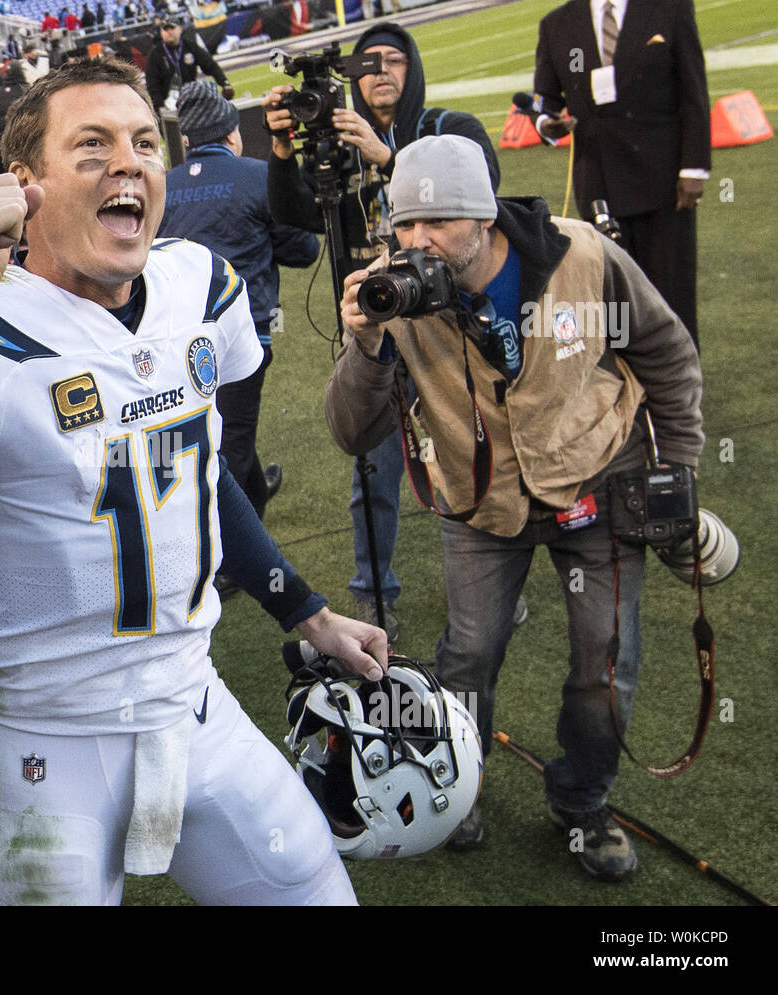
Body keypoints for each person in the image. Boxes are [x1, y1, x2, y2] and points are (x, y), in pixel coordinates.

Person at [0, 57, 388, 906]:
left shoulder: (195, 284)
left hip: (193, 703)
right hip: (43, 745)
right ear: (22, 186)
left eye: (144, 142)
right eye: (91, 146)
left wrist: (305, 610)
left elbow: (197, 472)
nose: (127, 162)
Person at [325, 133, 703, 880]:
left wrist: (679, 468)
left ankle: (582, 800)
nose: (416, 241)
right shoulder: (394, 293)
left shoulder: (582, 254)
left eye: (437, 224)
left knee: (606, 664)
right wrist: (364, 345)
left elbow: (665, 348)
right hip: (480, 500)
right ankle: (458, 787)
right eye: (403, 224)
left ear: (485, 216)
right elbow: (352, 431)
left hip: (596, 475)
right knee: (468, 656)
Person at [263, 21, 502, 644]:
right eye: (366, 64)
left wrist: (388, 158)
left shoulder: (449, 130)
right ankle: (372, 592)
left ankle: (496, 580)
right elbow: (296, 219)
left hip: (453, 330)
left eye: (393, 60)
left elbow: (489, 192)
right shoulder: (334, 148)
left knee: (478, 453)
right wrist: (286, 153)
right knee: (372, 467)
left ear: (413, 67)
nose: (379, 72)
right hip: (376, 324)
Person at [159, 80, 318, 536]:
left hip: (178, 334)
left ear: (186, 140)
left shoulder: (164, 186)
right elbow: (304, 248)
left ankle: (253, 487)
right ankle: (235, 555)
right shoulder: (258, 175)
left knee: (223, 429)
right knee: (229, 442)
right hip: (242, 331)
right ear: (232, 133)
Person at [533, 0, 709, 347]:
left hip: (664, 180)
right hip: (599, 183)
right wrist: (547, 125)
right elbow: (545, 102)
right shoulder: (557, 24)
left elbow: (694, 92)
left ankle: (682, 393)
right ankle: (628, 394)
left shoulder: (669, 8)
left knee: (671, 292)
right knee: (615, 304)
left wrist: (694, 168)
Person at [145, 16, 231, 114]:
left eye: (172, 28)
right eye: (165, 29)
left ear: (180, 29)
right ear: (161, 32)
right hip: (169, 105)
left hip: (192, 100)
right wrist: (160, 107)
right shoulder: (155, 54)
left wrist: (225, 84)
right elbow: (152, 83)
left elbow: (211, 65)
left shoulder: (190, 47)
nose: (169, 32)